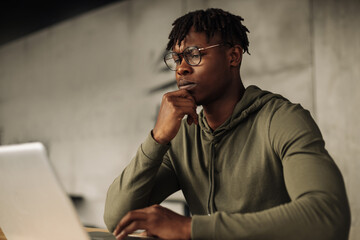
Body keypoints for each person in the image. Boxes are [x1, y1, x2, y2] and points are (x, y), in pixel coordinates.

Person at [104, 8, 351, 240]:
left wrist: (190, 228)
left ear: (233, 56)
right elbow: (116, 219)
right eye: (177, 58)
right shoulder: (183, 137)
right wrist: (157, 138)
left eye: (194, 55)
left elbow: (328, 215)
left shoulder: (281, 119)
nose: (181, 69)